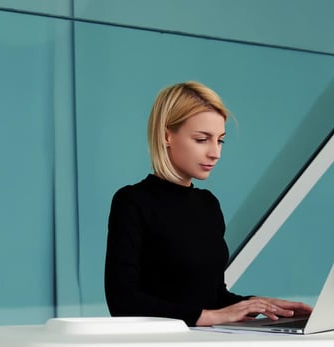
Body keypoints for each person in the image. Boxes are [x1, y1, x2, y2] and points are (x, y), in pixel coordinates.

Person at [105, 81, 312, 327]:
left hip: (207, 344)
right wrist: (209, 317)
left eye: (220, 140)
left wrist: (260, 305)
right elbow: (123, 301)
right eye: (202, 139)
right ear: (166, 136)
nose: (216, 153)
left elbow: (212, 297)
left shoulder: (208, 205)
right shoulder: (132, 202)